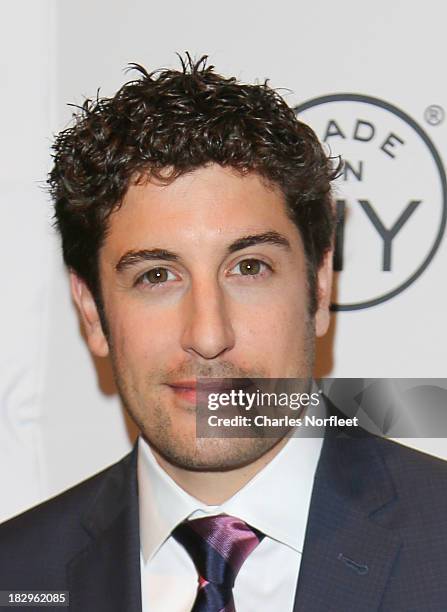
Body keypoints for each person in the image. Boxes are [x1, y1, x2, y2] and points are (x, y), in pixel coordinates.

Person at [1, 56, 447, 612]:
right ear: (92, 312)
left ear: (319, 287)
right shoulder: (16, 576)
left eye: (250, 268)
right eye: (157, 276)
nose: (208, 335)